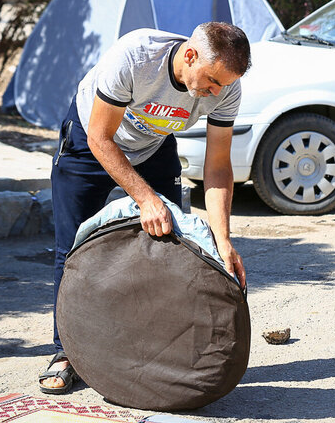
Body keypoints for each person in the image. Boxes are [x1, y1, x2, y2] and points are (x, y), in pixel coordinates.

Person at [38, 22, 251, 394]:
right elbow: (99, 137)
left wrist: (224, 240)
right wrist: (145, 198)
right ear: (190, 55)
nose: (217, 92)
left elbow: (218, 166)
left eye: (224, 85)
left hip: (153, 145)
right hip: (93, 142)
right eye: (213, 81)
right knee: (69, 246)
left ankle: (156, 352)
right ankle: (66, 353)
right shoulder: (136, 57)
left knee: (167, 245)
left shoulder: (226, 89)